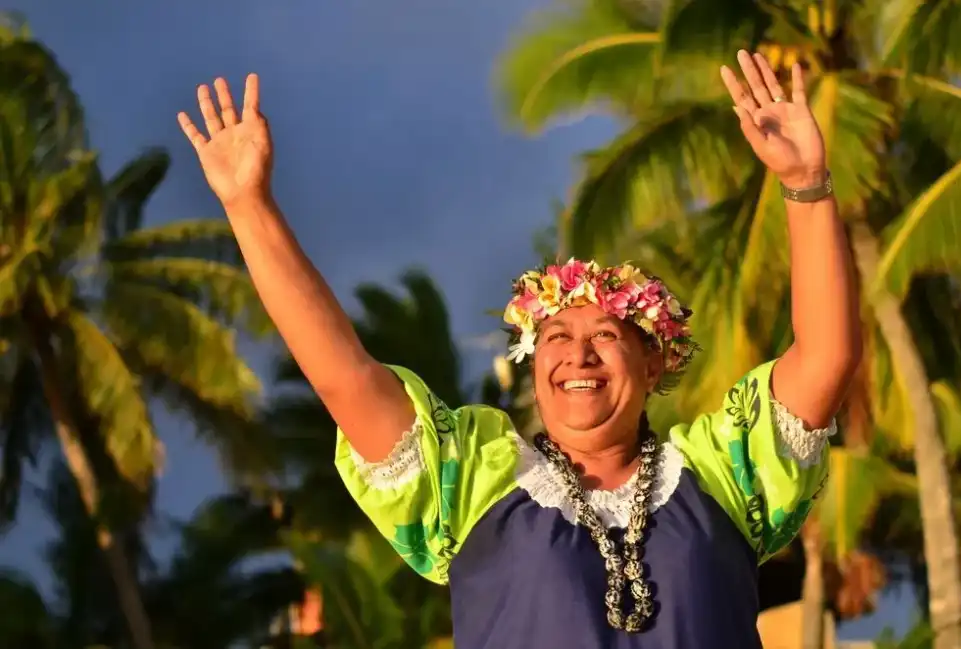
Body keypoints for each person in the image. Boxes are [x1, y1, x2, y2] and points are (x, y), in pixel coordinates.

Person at [178, 49, 860, 649]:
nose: (579, 356)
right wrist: (249, 206)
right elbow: (345, 378)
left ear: (654, 362)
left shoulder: (724, 472)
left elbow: (826, 357)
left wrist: (806, 183)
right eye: (556, 338)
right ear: (534, 368)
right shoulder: (472, 480)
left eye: (605, 336)